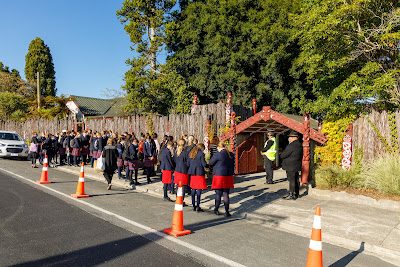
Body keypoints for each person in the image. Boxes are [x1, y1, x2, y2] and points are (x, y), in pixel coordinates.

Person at [209, 141, 235, 217]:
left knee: (218, 193)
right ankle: (227, 211)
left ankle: (216, 209)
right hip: (228, 175)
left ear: (219, 147)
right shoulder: (230, 154)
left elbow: (210, 163)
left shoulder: (218, 154)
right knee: (226, 194)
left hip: (219, 175)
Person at [280, 130, 303, 200]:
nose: (289, 138)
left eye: (290, 137)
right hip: (296, 165)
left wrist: (281, 154)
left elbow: (283, 155)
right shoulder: (299, 145)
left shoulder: (291, 145)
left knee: (291, 180)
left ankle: (291, 194)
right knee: (296, 179)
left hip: (290, 166)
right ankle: (297, 193)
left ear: (293, 137)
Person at [187, 143, 208, 212]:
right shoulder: (201, 154)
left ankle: (193, 205)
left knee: (193, 189)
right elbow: (204, 164)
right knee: (199, 189)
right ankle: (198, 206)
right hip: (199, 173)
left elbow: (188, 163)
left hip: (193, 173)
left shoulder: (191, 153)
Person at [173, 139, 189, 205]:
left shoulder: (176, 151)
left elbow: (174, 160)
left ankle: (177, 199)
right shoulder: (186, 152)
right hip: (183, 171)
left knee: (177, 186)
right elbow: (188, 162)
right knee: (183, 187)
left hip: (177, 170)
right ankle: (181, 200)